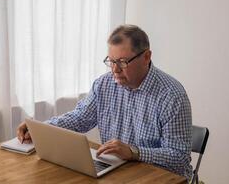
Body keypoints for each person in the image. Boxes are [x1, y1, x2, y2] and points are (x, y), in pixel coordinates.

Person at [17, 24, 192, 179]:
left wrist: (134, 152)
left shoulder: (171, 95)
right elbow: (79, 118)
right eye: (111, 61)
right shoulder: (104, 84)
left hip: (160, 178)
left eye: (123, 62)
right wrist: (40, 128)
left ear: (146, 57)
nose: (115, 70)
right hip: (119, 173)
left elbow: (179, 157)